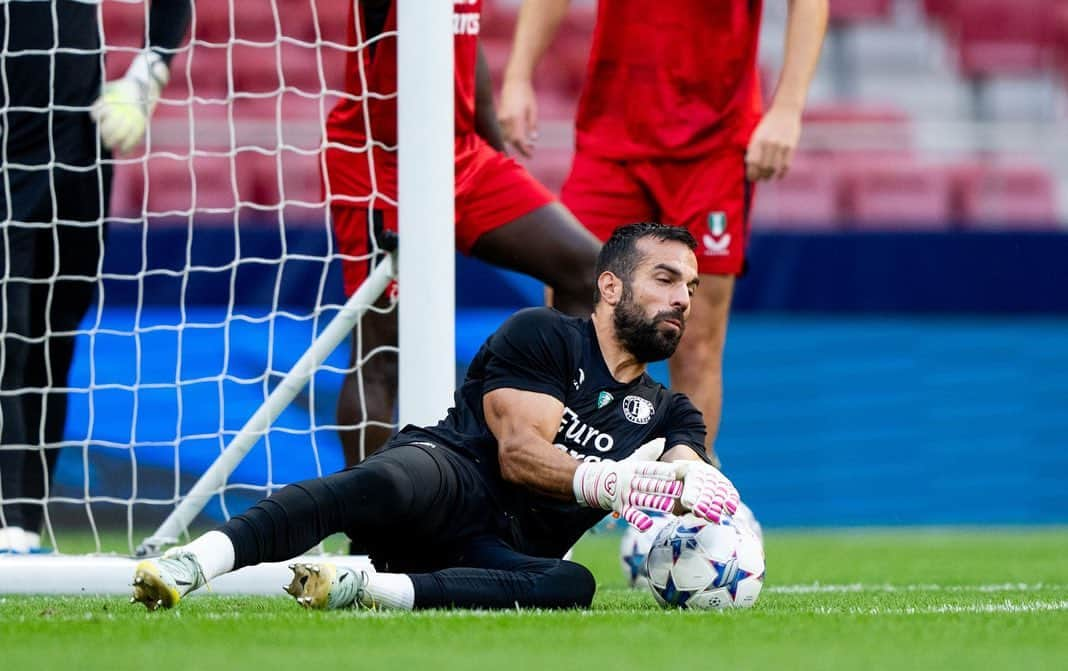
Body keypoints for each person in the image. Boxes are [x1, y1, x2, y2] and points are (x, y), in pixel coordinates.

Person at [131, 223, 741, 611]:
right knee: (382, 479)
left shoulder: (669, 411)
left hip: (495, 550)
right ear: (610, 287)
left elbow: (689, 466)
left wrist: (694, 483)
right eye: (665, 279)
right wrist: (613, 481)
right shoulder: (545, 335)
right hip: (450, 478)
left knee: (570, 585)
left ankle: (370, 590)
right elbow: (519, 454)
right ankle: (197, 561)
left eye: (689, 284)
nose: (684, 298)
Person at [498, 0, 828, 460]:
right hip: (610, 138)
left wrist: (788, 108)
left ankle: (687, 505)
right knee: (569, 322)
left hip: (715, 143)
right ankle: (548, 498)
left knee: (694, 343)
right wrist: (517, 76)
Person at [324, 0, 603, 466]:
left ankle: (553, 465)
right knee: (381, 353)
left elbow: (458, 43)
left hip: (462, 157)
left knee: (590, 273)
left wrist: (494, 149)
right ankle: (368, 528)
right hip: (381, 164)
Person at [0, 0, 191, 553]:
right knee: (7, 334)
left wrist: (149, 69)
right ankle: (8, 526)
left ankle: (24, 529)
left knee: (52, 336)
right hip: (7, 140)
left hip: (76, 138)